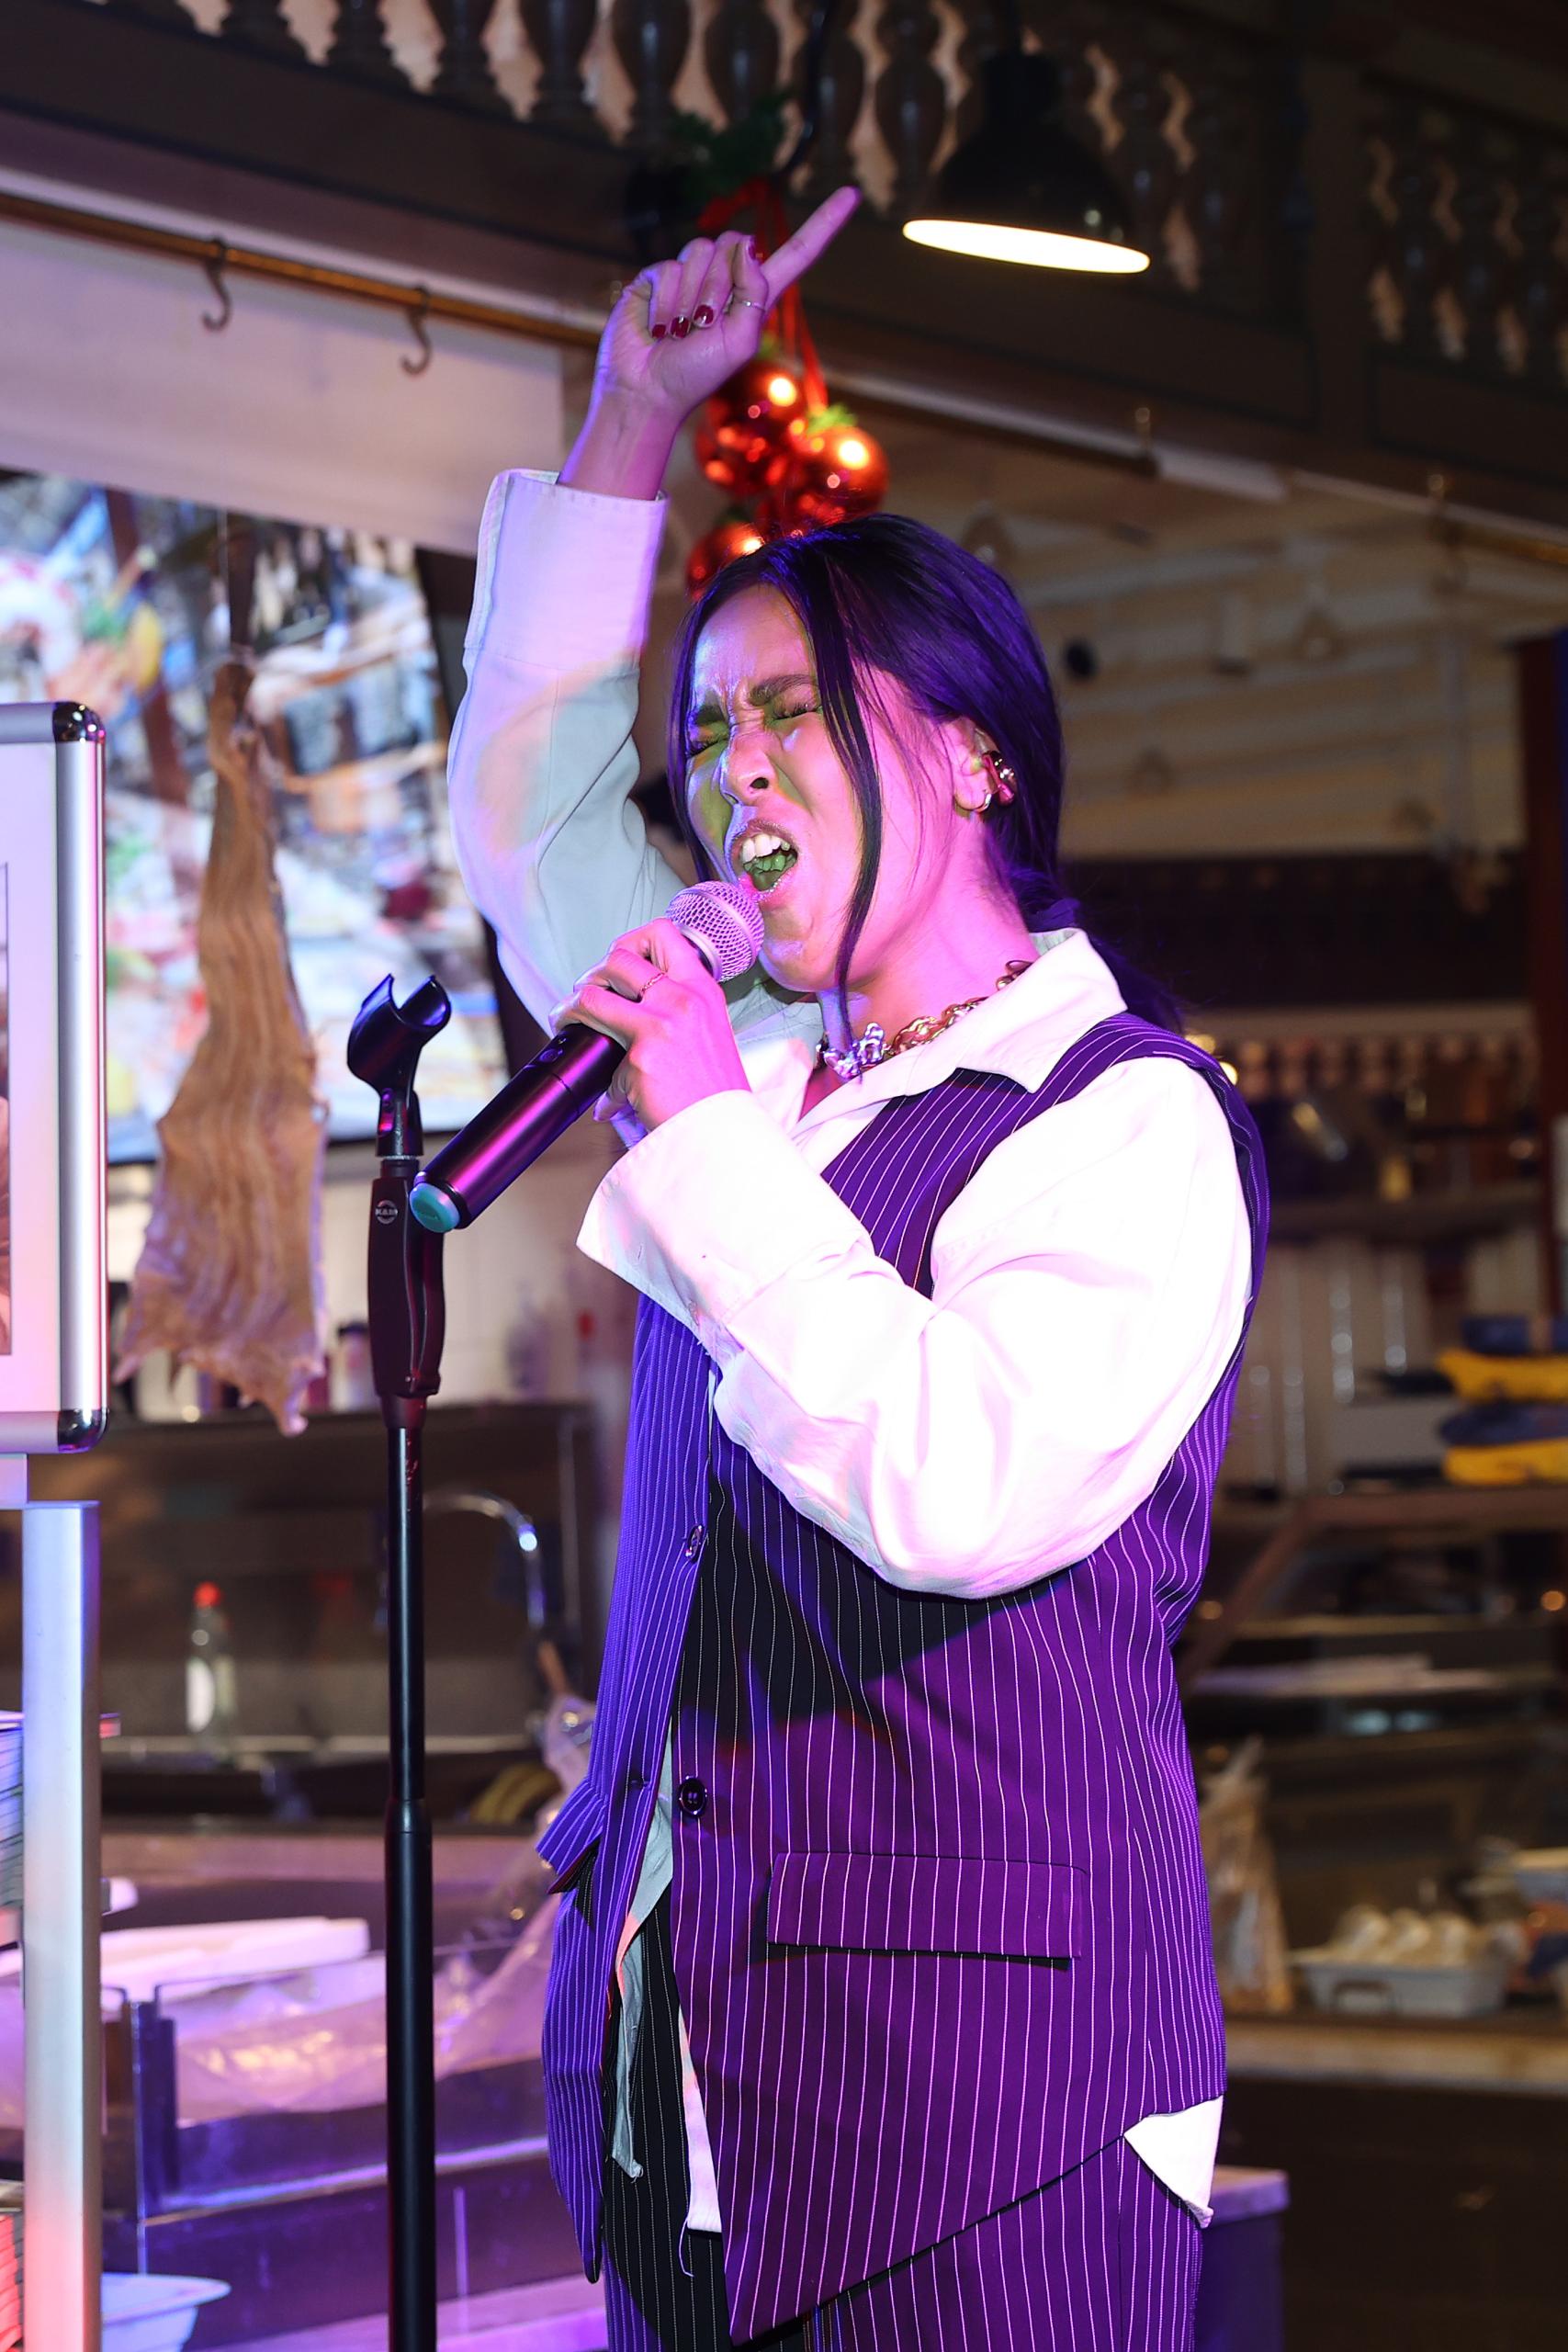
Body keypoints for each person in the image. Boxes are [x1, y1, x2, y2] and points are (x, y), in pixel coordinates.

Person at [446, 189, 1268, 2352]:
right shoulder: (763, 1065)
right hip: (694, 2084)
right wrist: (629, 415)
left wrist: (703, 1122)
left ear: (975, 752)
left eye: (793, 713)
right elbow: (533, 820)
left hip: (989, 2104)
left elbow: (951, 1484)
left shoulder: (1121, 1117)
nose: (732, 776)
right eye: (711, 728)